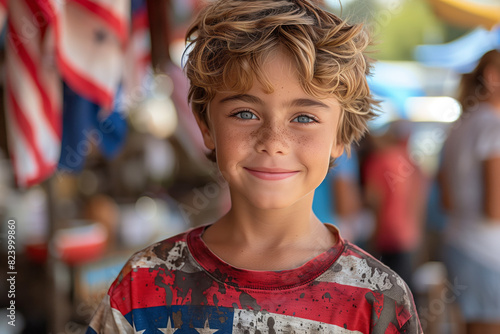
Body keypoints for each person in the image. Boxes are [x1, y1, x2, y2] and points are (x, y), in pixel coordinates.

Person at [86, 0, 422, 332]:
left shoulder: (377, 300)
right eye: (245, 113)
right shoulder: (143, 285)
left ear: (341, 136)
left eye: (304, 117)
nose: (273, 141)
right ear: (207, 126)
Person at [439, 49, 500, 334]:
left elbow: (447, 201)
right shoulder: (493, 126)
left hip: (459, 244)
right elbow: (494, 209)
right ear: (493, 77)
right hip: (486, 253)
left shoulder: (459, 127)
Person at [363, 121, 426, 292]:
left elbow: (374, 200)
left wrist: (373, 239)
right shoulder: (411, 162)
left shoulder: (379, 160)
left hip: (386, 234)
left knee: (385, 296)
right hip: (408, 236)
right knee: (406, 294)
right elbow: (419, 201)